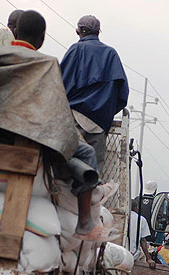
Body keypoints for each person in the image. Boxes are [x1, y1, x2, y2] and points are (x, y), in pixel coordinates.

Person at [11, 10, 108, 241]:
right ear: (42, 39)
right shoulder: (44, 64)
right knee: (85, 153)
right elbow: (53, 105)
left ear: (14, 31)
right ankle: (84, 220)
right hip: (32, 134)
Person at [60, 15, 129, 173]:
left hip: (73, 119)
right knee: (94, 176)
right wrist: (106, 113)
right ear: (98, 32)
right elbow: (122, 94)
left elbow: (60, 85)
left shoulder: (75, 50)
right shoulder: (111, 54)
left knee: (66, 170)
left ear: (78, 31)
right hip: (99, 125)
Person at [130, 198, 155, 268]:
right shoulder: (141, 219)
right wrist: (149, 258)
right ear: (136, 208)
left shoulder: (120, 217)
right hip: (133, 255)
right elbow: (142, 240)